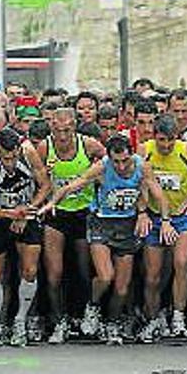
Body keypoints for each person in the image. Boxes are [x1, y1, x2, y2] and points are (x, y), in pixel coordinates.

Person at [43, 135, 168, 345]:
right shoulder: (102, 167)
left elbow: (158, 194)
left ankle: (112, 322)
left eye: (125, 160)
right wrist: (52, 202)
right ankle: (92, 307)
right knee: (106, 276)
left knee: (121, 287)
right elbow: (75, 184)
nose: (120, 166)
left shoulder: (141, 166)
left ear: (132, 155)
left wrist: (165, 220)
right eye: (116, 161)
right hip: (102, 223)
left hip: (127, 226)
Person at [137, 114, 187, 342]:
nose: (166, 145)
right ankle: (153, 318)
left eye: (171, 140)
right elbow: (138, 183)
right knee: (152, 275)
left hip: (182, 217)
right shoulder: (144, 150)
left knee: (182, 263)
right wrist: (141, 212)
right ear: (154, 136)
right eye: (162, 140)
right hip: (154, 217)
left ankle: (178, 317)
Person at [0, 127, 51, 348]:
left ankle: (20, 321)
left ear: (19, 149)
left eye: (13, 156)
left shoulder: (28, 153)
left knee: (30, 270)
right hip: (1, 216)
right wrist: (6, 214)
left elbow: (45, 186)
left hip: (26, 214)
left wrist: (26, 211)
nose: (10, 161)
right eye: (6, 157)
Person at [34, 108, 105, 344]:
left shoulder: (89, 145)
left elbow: (110, 164)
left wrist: (97, 179)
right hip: (56, 213)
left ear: (75, 127)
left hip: (83, 213)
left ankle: (83, 316)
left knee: (85, 270)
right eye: (57, 130)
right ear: (50, 127)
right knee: (54, 273)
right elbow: (38, 178)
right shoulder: (45, 147)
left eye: (67, 130)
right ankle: (58, 321)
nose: (62, 137)